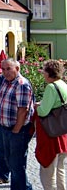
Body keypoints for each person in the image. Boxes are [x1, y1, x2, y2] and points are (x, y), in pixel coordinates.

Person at [0, 58, 34, 190]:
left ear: (17, 69)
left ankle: (23, 188)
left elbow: (23, 109)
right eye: (3, 69)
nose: (5, 72)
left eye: (9, 69)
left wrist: (16, 130)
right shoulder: (5, 82)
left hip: (17, 130)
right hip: (6, 128)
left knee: (17, 163)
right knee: (10, 162)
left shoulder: (21, 84)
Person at [34, 60, 67, 190]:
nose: (42, 73)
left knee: (48, 172)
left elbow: (43, 112)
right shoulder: (63, 84)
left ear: (49, 73)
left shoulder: (51, 87)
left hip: (51, 134)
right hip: (62, 132)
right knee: (60, 168)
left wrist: (36, 106)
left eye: (44, 71)